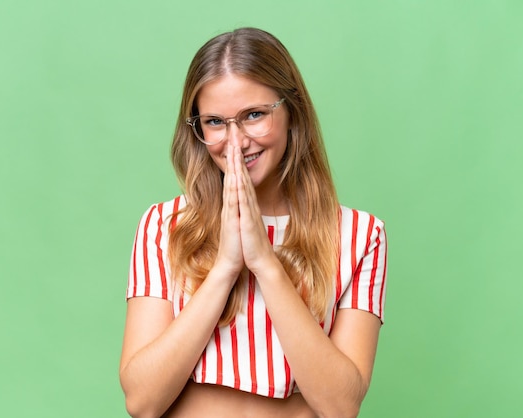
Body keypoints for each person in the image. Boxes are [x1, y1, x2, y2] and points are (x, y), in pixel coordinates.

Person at [119, 27, 388, 418]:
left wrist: (264, 262)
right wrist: (226, 268)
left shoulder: (360, 237)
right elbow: (142, 401)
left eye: (255, 115)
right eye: (214, 122)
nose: (236, 142)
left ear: (292, 112)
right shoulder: (163, 226)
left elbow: (341, 405)